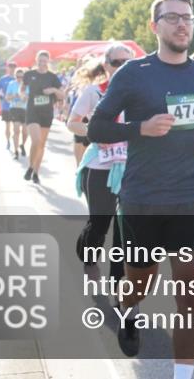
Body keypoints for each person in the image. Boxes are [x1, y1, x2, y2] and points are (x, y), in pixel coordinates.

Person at [88, 0, 194, 377]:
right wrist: (140, 128)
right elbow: (97, 127)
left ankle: (183, 374)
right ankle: (127, 311)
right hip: (142, 199)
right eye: (173, 17)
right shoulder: (134, 73)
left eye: (188, 17)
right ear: (155, 26)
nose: (182, 24)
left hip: (190, 198)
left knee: (189, 295)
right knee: (139, 284)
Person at [69, 44, 133, 290]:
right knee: (100, 222)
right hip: (99, 166)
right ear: (106, 65)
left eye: (127, 62)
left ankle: (118, 281)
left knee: (124, 226)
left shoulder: (141, 94)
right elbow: (72, 123)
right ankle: (89, 259)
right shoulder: (94, 92)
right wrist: (96, 131)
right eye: (117, 62)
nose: (122, 67)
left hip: (130, 166)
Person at [22, 51, 65, 185]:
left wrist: (53, 90)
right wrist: (23, 94)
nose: (42, 63)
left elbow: (62, 95)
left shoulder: (52, 77)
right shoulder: (29, 74)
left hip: (46, 113)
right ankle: (30, 167)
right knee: (36, 140)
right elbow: (22, 88)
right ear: (36, 60)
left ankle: (35, 172)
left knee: (41, 144)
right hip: (32, 111)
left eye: (44, 61)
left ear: (48, 62)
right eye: (40, 60)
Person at [68, 60, 104, 166]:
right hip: (82, 117)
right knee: (80, 143)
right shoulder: (89, 87)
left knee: (87, 145)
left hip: (94, 120)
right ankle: (79, 166)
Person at [5, 68, 28, 159]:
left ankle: (22, 144)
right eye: (18, 76)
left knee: (25, 131)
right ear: (15, 76)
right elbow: (7, 98)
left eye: (22, 77)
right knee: (16, 130)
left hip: (25, 109)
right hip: (14, 108)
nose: (20, 78)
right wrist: (14, 95)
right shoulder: (11, 84)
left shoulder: (27, 85)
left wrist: (24, 97)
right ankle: (16, 151)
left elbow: (29, 97)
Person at [0, 62, 17, 149]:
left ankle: (15, 139)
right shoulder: (3, 79)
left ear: (15, 68)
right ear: (8, 68)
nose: (12, 68)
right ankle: (8, 141)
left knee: (16, 126)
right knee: (7, 126)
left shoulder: (19, 78)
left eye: (13, 67)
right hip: (6, 106)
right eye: (10, 67)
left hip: (18, 106)